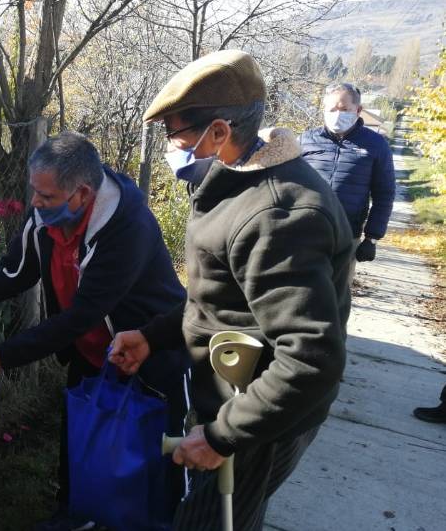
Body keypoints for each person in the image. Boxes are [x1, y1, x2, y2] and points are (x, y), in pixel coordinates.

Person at [109, 50, 355, 531]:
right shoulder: (236, 182)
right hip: (236, 402)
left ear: (219, 132)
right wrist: (154, 336)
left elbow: (311, 360)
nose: (171, 146)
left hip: (257, 421)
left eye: (176, 133)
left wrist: (222, 436)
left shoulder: (277, 216)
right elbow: (225, 301)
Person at [0, 131, 188, 531]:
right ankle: (74, 515)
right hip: (92, 351)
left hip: (150, 348)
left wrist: (1, 356)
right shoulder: (47, 213)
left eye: (47, 197)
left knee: (152, 449)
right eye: (34, 192)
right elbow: (19, 270)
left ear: (83, 194)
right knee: (81, 433)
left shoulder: (128, 227)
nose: (36, 203)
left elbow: (82, 315)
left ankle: (160, 517)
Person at [300, 82, 396, 278]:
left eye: (344, 109)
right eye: (332, 109)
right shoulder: (305, 140)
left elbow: (384, 194)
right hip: (304, 234)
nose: (337, 114)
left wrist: (372, 238)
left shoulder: (376, 145)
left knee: (336, 298)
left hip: (345, 237)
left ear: (358, 110)